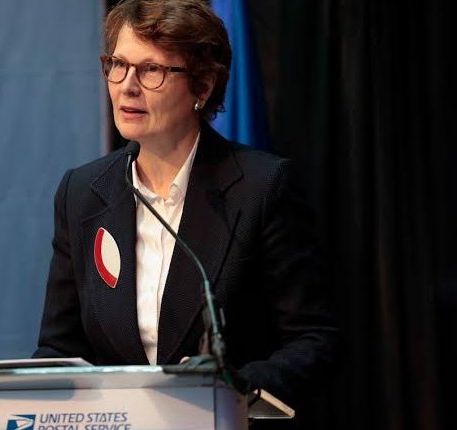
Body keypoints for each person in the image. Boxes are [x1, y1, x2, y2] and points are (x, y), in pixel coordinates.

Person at [34, 0, 338, 419]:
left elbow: (314, 340)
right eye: (118, 65)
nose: (127, 86)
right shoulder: (83, 193)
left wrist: (230, 390)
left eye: (151, 70)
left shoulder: (261, 187)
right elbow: (59, 348)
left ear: (203, 86)